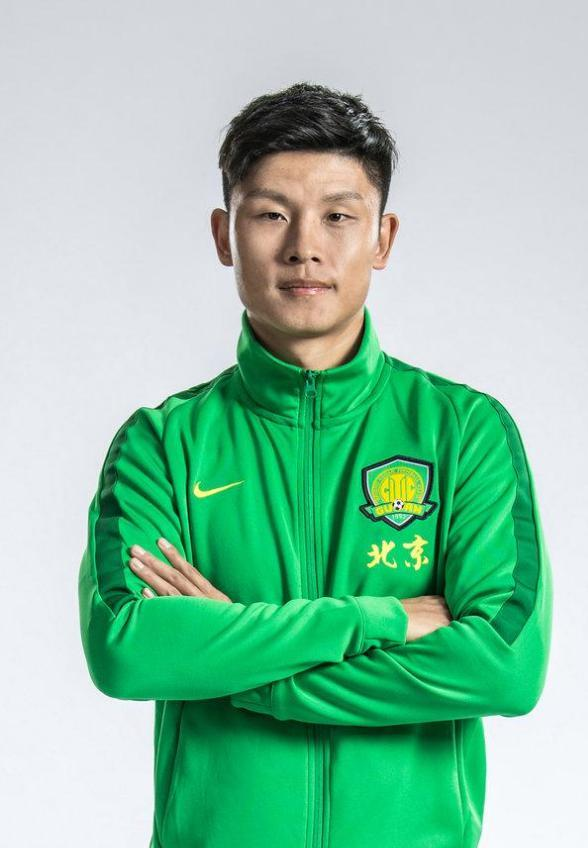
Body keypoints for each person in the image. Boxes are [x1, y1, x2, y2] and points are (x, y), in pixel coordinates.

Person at [78, 81, 553, 848]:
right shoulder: (162, 444)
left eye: (338, 216)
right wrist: (380, 618)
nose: (305, 245)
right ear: (224, 234)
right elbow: (128, 649)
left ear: (382, 238)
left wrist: (237, 659)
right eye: (271, 214)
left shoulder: (464, 432)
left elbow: (504, 667)